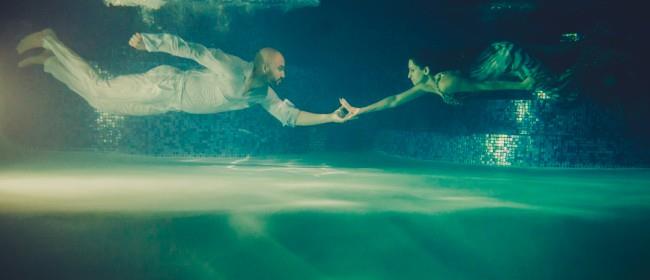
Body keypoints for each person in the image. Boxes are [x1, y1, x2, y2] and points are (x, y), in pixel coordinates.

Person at [17, 29, 349, 126]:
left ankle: (50, 64)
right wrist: (150, 42)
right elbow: (192, 49)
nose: (284, 72)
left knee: (98, 100)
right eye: (280, 67)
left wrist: (330, 118)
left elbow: (289, 116)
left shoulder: (261, 96)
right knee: (100, 87)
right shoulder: (231, 66)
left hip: (168, 104)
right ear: (263, 66)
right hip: (166, 85)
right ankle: (50, 40)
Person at [339, 41, 569, 119]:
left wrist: (521, 86)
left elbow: (483, 86)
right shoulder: (426, 85)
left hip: (503, 57)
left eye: (412, 69)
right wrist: (360, 110)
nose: (408, 75)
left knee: (556, 89)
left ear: (426, 69)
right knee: (552, 86)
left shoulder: (446, 83)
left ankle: (574, 68)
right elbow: (393, 100)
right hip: (490, 68)